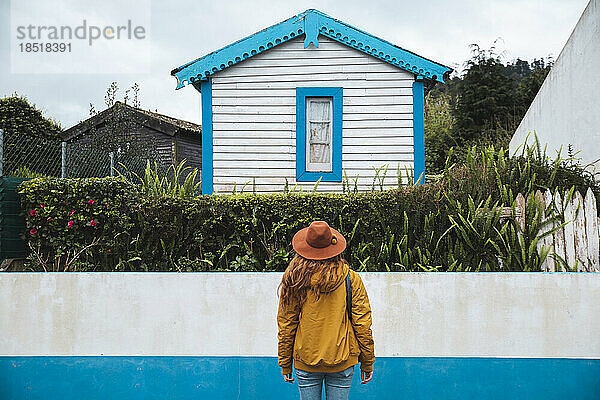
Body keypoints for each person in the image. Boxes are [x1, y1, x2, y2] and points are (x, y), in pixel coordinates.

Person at [277, 221, 375, 400]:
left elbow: (286, 323)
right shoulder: (350, 279)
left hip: (306, 360)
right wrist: (367, 362)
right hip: (342, 361)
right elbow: (362, 323)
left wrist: (285, 362)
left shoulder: (294, 280)